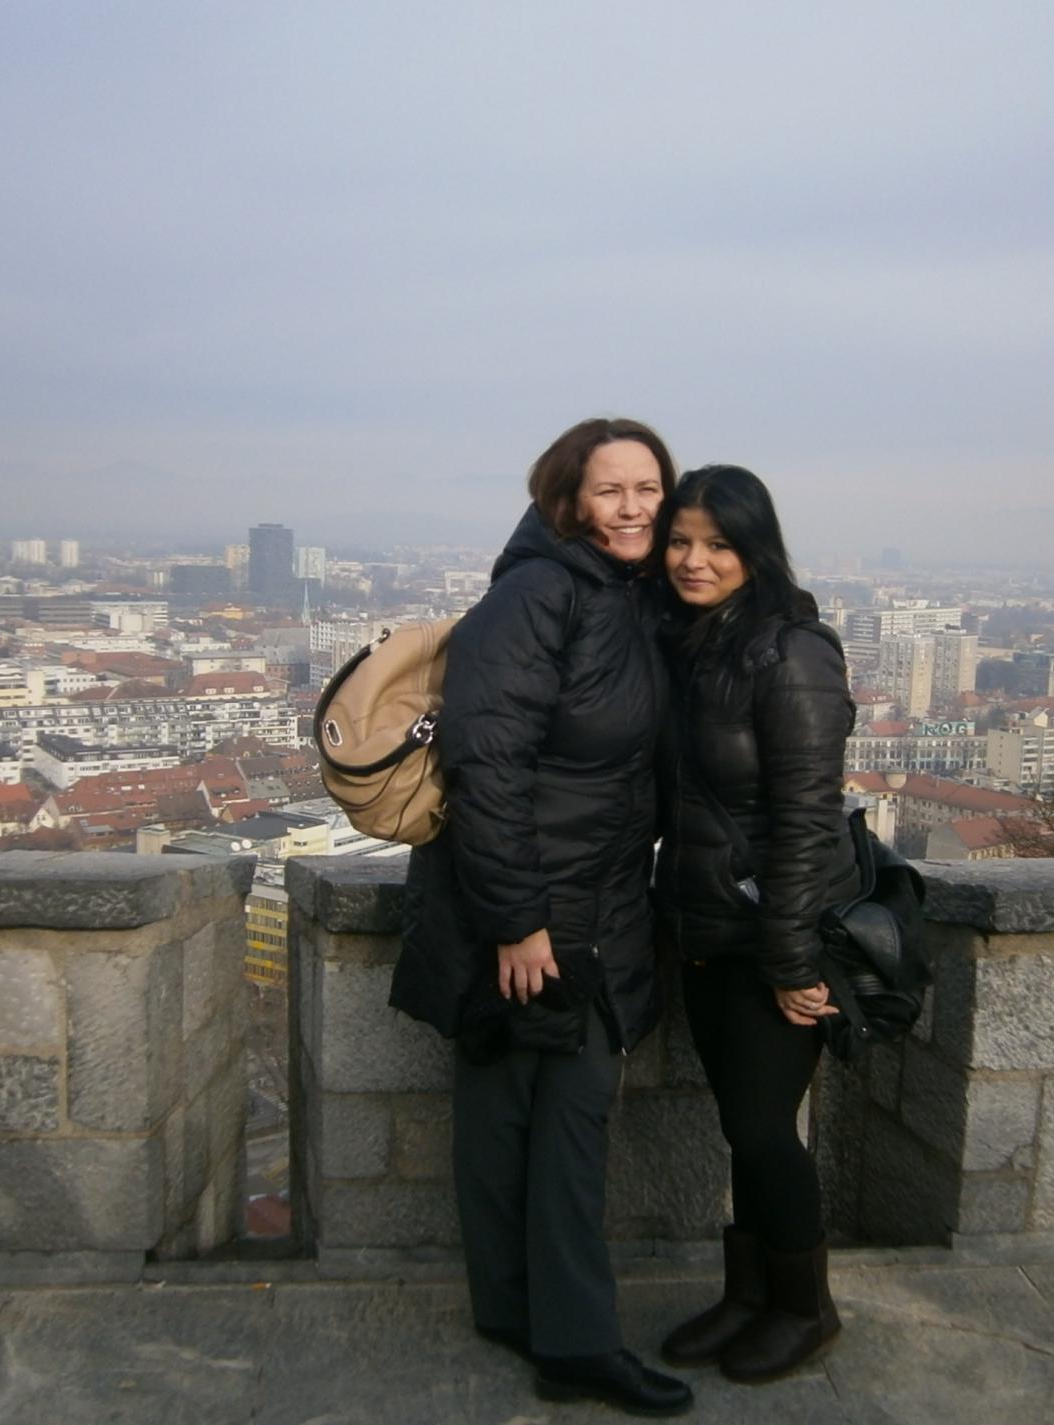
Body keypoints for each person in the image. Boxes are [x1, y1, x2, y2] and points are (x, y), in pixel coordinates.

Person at [389, 417, 693, 1417]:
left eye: (648, 487)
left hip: (582, 898)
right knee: (568, 1123)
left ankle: (510, 1307)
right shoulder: (537, 596)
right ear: (567, 501)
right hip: (546, 913)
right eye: (612, 490)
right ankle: (577, 1344)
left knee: (507, 1111)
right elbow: (486, 763)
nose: (635, 507)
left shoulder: (624, 595)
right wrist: (520, 923)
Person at [650, 465, 861, 1384]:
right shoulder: (692, 642)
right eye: (680, 541)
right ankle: (748, 1295)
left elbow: (808, 817)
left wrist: (792, 958)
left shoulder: (791, 653)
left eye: (718, 544)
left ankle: (806, 1307)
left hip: (770, 936)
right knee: (743, 1125)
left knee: (767, 1128)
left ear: (756, 550)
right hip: (705, 927)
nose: (694, 560)